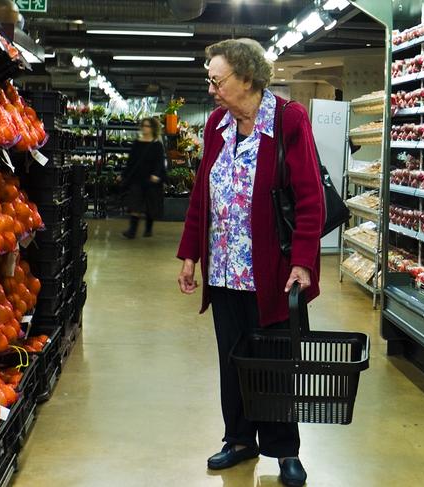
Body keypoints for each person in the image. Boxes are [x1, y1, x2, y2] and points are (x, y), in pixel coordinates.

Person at [177, 38, 324, 487]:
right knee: (233, 360)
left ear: (246, 78)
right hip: (224, 272)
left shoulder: (288, 120)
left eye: (217, 80)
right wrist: (189, 253)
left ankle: (285, 450)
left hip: (272, 274)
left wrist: (303, 262)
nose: (211, 89)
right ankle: (239, 440)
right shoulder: (217, 126)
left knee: (274, 363)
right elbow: (203, 193)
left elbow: (309, 199)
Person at [121, 117, 166, 238]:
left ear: (153, 128)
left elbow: (159, 162)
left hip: (151, 179)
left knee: (150, 205)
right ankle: (132, 230)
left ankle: (148, 228)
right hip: (137, 178)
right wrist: (124, 175)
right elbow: (131, 161)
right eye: (144, 126)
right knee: (135, 203)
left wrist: (156, 174)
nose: (145, 128)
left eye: (147, 126)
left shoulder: (157, 144)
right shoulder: (137, 143)